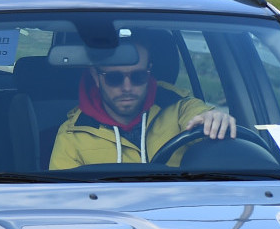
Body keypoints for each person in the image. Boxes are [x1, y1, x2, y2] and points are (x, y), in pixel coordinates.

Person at [48, 40, 236, 169]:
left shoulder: (179, 107)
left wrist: (214, 117)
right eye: (114, 78)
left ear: (149, 72)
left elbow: (200, 114)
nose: (127, 87)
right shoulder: (72, 135)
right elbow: (66, 205)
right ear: (96, 77)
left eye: (138, 76)